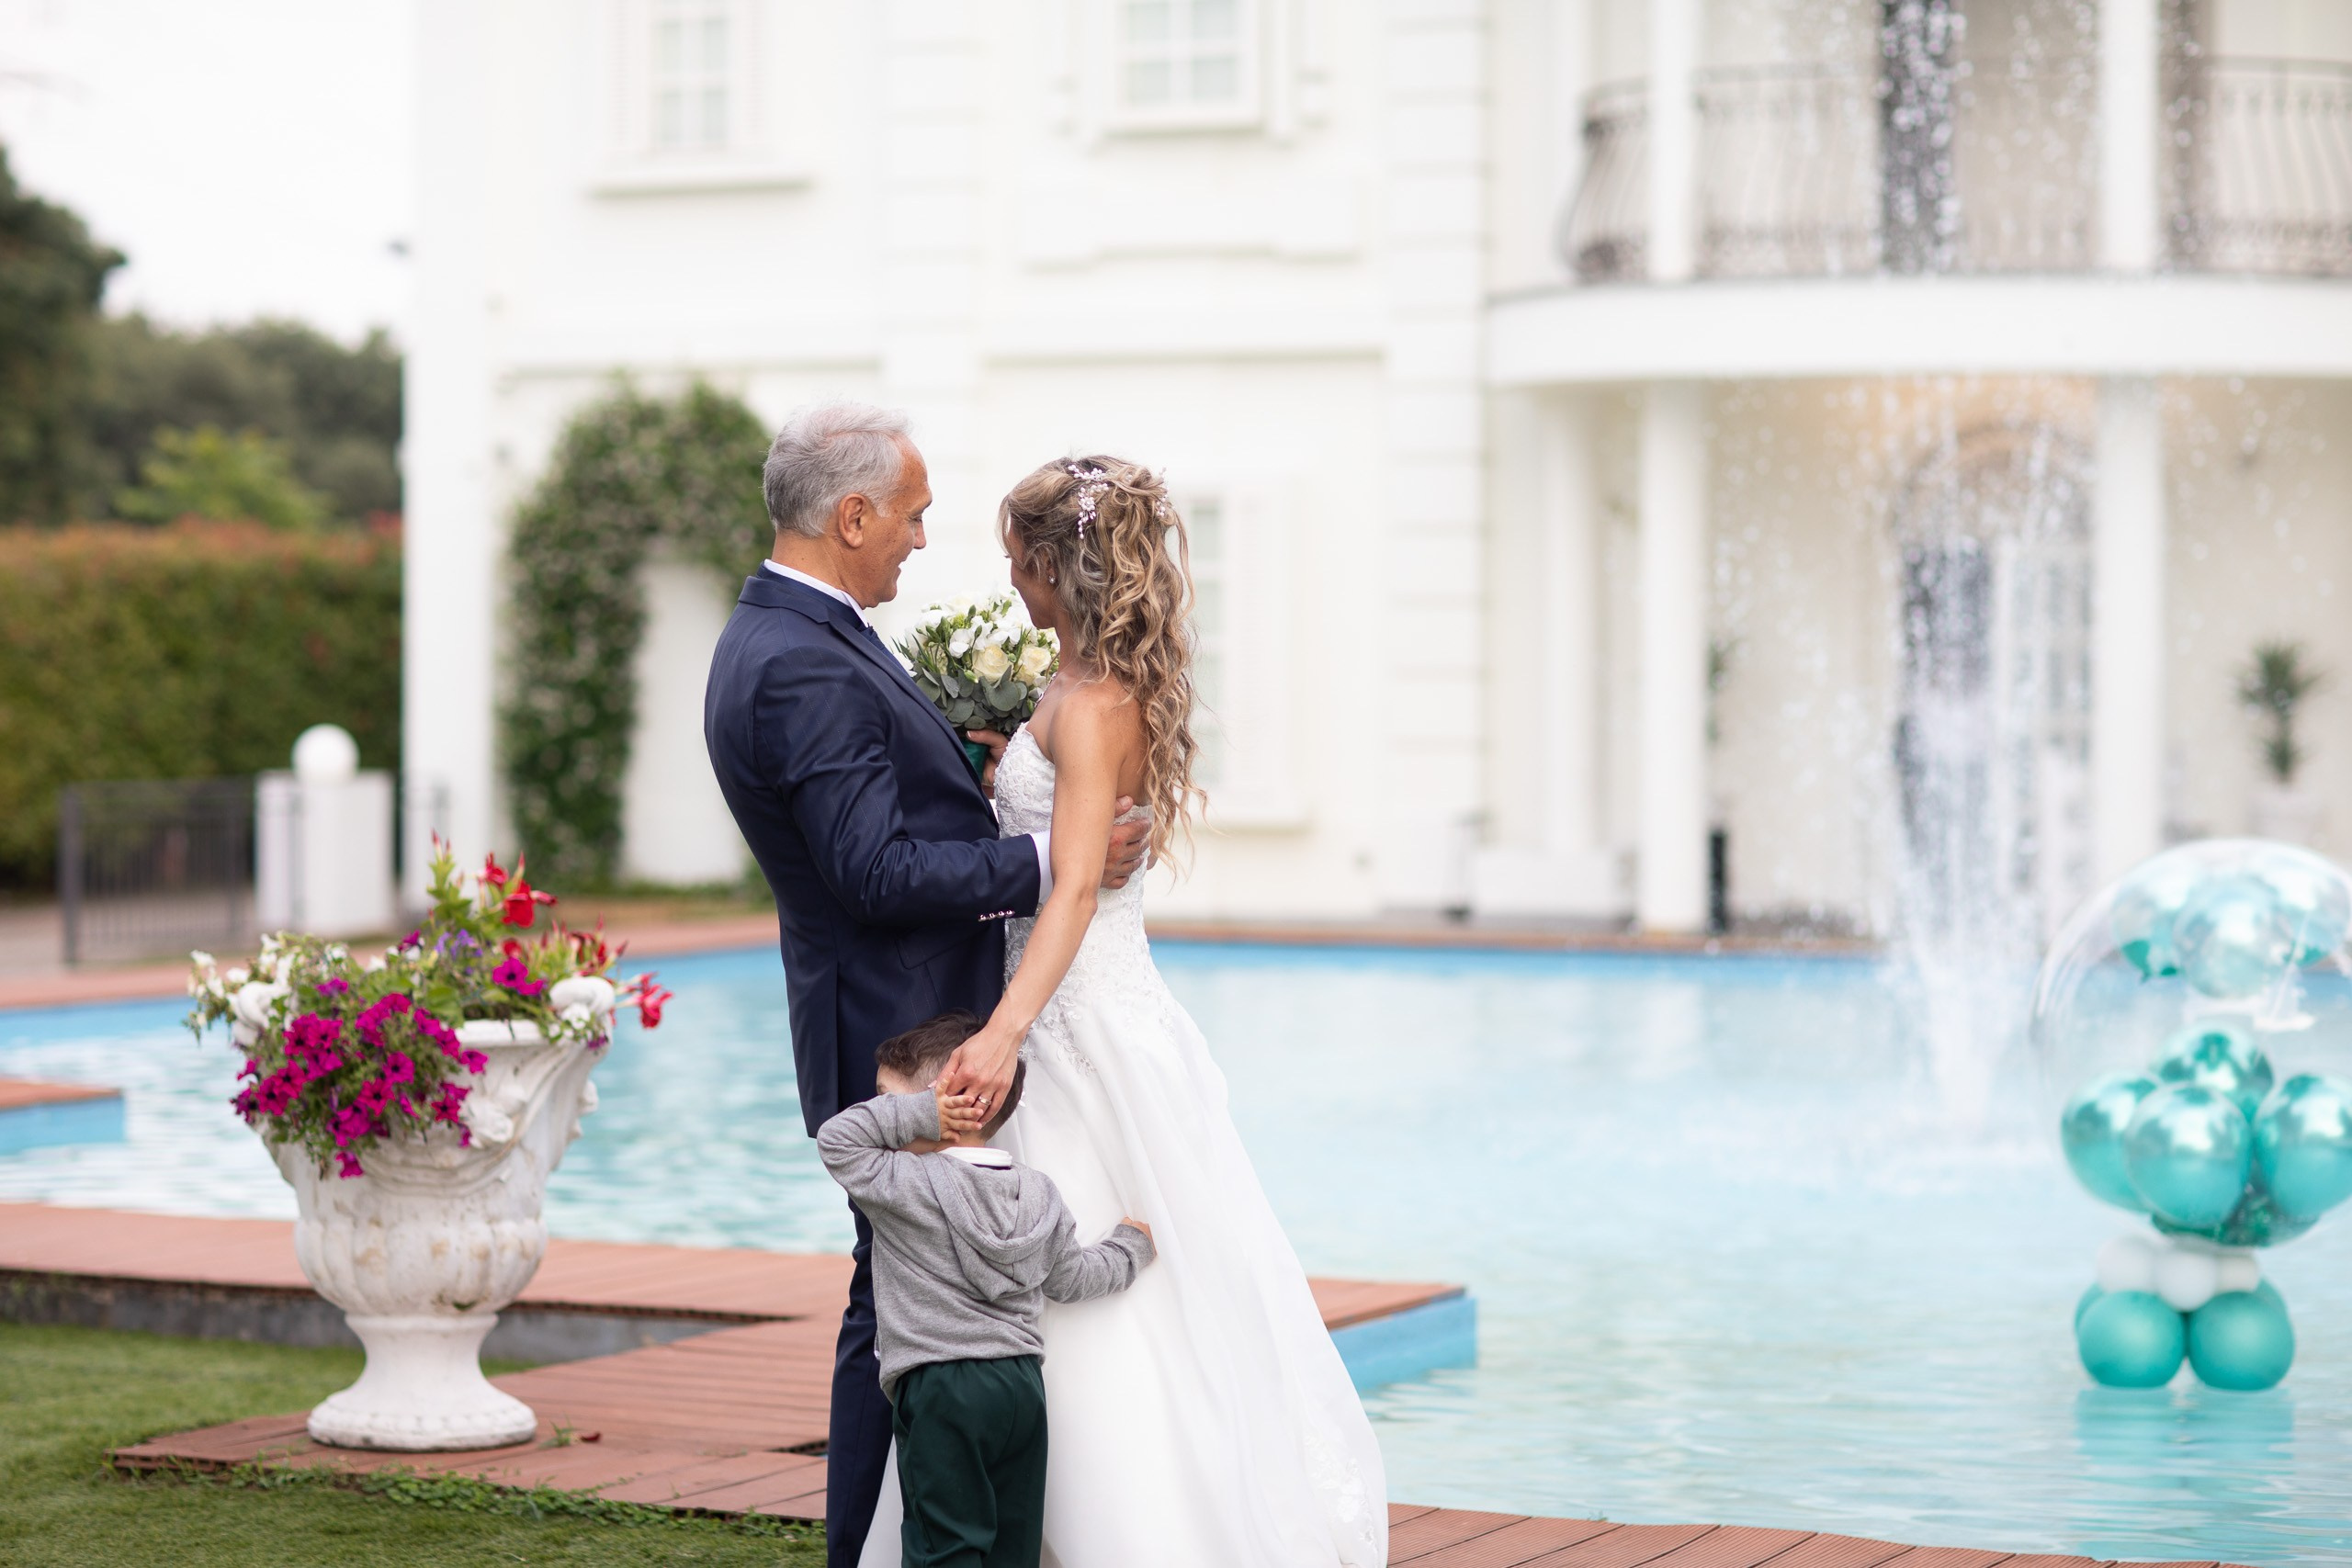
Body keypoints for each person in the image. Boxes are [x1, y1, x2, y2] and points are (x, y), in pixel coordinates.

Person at [860, 458, 1389, 1567]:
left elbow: (1074, 889)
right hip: (1063, 1003)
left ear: (1059, 565)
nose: (1011, 586)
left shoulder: (1098, 708)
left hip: (1077, 1019)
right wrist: (1007, 765)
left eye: (1018, 565)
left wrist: (1004, 1031)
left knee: (1095, 1283)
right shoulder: (1065, 694)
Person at [703, 403, 1153, 1568]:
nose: (916, 538)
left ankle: (883, 1542)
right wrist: (1057, 852)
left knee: (894, 1304)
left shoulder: (795, 631)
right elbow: (873, 872)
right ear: (850, 514)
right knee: (889, 1320)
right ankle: (866, 1543)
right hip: (898, 1029)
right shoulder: (802, 659)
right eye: (908, 516)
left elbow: (880, 812)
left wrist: (984, 771)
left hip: (901, 1006)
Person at [817, 1011, 1155, 1568]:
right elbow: (1072, 1279)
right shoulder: (1036, 1193)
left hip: (939, 1383)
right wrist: (1129, 1247)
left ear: (941, 1101)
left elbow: (839, 1139)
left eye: (885, 1099)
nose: (878, 1113)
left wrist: (925, 1114)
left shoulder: (901, 1184)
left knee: (943, 1542)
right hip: (1020, 1384)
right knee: (1011, 1543)